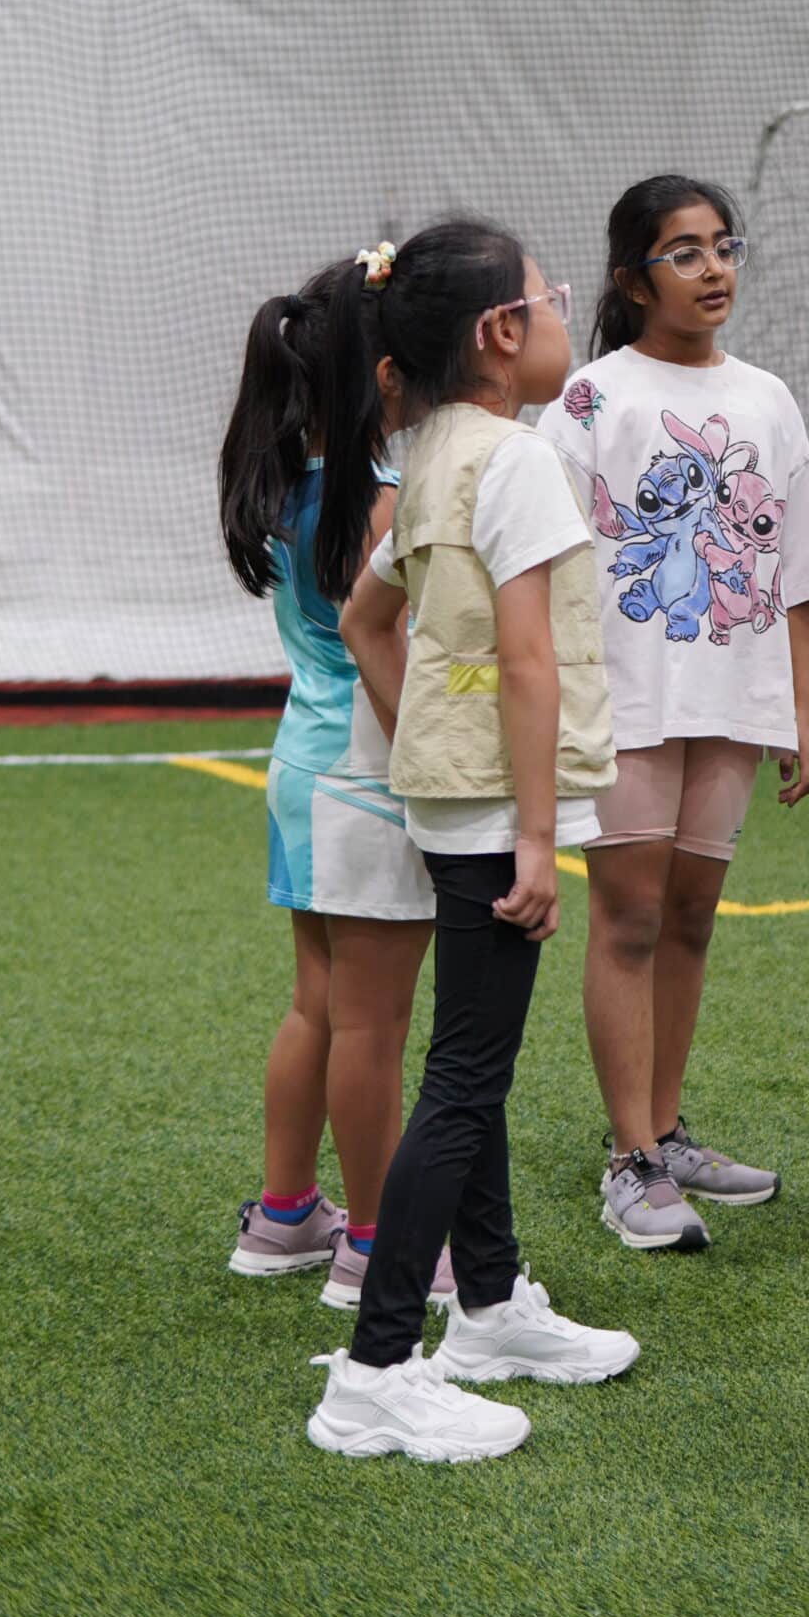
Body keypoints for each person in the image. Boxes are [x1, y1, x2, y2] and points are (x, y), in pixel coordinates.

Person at [306, 221, 639, 1465]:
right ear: (501, 333)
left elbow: (365, 621)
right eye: (549, 299)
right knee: (463, 1080)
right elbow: (530, 661)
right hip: (500, 808)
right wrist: (537, 837)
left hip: (459, 799)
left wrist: (425, 749)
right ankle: (375, 1371)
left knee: (468, 1062)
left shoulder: (432, 452)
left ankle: (491, 1308)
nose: (560, 314)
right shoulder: (517, 458)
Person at [536, 175, 809, 1252]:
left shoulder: (768, 397)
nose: (714, 269)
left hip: (733, 700)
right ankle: (629, 1159)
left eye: (724, 247)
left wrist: (801, 708)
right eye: (685, 252)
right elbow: (544, 561)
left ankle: (664, 1132)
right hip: (623, 700)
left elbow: (797, 566)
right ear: (633, 279)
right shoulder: (588, 399)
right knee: (627, 919)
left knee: (692, 918)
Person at [217, 262, 442, 1309]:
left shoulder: (296, 486)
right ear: (380, 377)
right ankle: (374, 1243)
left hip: (306, 769)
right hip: (366, 776)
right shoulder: (379, 500)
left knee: (319, 1006)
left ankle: (284, 1215)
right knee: (372, 1026)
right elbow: (386, 649)